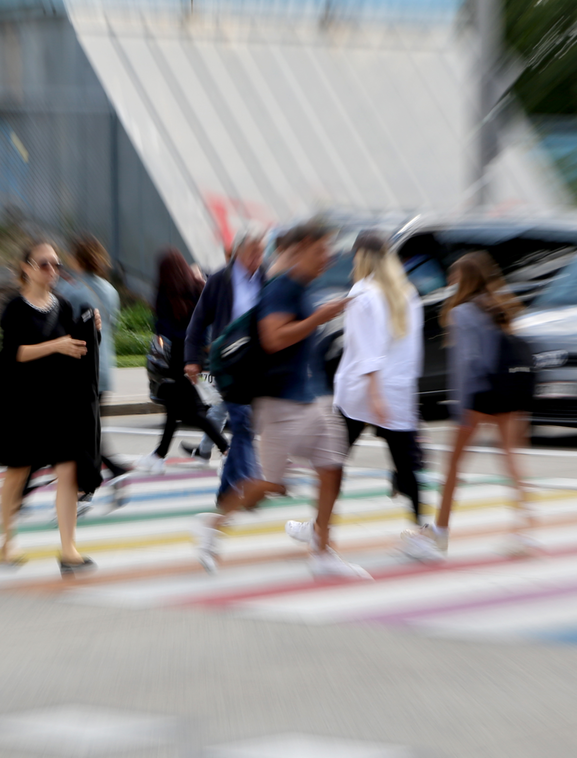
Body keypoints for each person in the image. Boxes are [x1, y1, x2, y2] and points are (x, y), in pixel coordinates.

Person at [192, 221, 363, 578]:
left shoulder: (302, 286)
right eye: (321, 250)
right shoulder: (281, 289)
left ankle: (322, 552)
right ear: (299, 250)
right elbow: (273, 339)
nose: (327, 257)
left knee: (332, 468)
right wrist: (320, 317)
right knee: (270, 485)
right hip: (279, 403)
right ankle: (213, 524)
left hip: (312, 399)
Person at [0, 240, 99, 574]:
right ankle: (6, 543)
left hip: (58, 404)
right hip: (22, 406)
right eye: (45, 264)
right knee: (17, 474)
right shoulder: (14, 307)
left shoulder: (62, 306)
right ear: (27, 268)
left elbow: (73, 349)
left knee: (67, 472)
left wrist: (91, 333)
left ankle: (69, 550)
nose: (53, 270)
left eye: (56, 264)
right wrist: (57, 345)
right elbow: (14, 354)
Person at [332, 231, 436, 562]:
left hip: (363, 394)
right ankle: (423, 533)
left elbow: (368, 351)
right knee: (406, 467)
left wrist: (375, 395)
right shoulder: (407, 293)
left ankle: (318, 525)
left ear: (359, 257)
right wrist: (401, 394)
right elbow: (411, 353)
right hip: (398, 392)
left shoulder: (362, 294)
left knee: (333, 460)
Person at [432, 252, 537, 558]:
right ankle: (526, 528)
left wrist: (460, 408)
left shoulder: (462, 312)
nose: (451, 284)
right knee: (511, 459)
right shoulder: (498, 306)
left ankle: (440, 532)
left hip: (478, 396)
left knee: (453, 465)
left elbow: (468, 363)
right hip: (508, 393)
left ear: (463, 279)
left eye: (453, 278)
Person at [185, 230, 266, 502]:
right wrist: (192, 359)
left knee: (248, 425)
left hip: (258, 364)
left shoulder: (267, 278)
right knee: (242, 423)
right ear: (239, 253)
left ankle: (225, 492)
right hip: (229, 365)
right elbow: (198, 321)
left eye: (261, 251)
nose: (258, 257)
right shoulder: (220, 280)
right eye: (252, 251)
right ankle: (249, 481)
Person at [136, 247, 229, 474]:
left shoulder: (166, 294)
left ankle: (227, 449)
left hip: (179, 358)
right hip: (198, 355)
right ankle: (158, 455)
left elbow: (163, 329)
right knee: (175, 409)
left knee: (190, 412)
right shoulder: (197, 287)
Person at [53, 234, 130, 485]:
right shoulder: (110, 290)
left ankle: (100, 476)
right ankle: (112, 469)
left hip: (78, 368)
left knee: (78, 433)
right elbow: (112, 325)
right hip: (104, 367)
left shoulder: (68, 289)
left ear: (76, 258)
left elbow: (59, 328)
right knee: (90, 431)